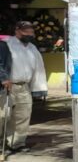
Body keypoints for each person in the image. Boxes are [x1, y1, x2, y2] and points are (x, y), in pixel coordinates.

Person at [5, 21, 47, 153]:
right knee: (5, 116)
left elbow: (39, 69)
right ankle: (4, 143)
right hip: (8, 86)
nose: (29, 33)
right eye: (25, 31)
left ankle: (17, 143)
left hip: (24, 87)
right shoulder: (7, 44)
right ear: (17, 30)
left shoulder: (32, 48)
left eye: (30, 31)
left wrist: (39, 88)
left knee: (23, 116)